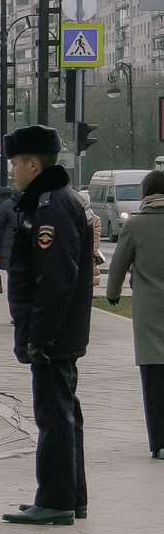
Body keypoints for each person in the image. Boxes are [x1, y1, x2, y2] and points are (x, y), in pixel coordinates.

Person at [0, 125, 93, 525]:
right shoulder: (57, 199)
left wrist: (40, 335)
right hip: (62, 329)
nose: (12, 172)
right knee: (65, 411)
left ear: (33, 163)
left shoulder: (51, 206)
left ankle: (56, 501)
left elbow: (55, 278)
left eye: (16, 164)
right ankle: (71, 495)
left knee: (54, 415)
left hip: (54, 332)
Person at [104, 168, 164, 460]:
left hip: (151, 311)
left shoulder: (136, 226)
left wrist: (112, 294)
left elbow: (118, 265)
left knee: (154, 378)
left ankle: (160, 441)